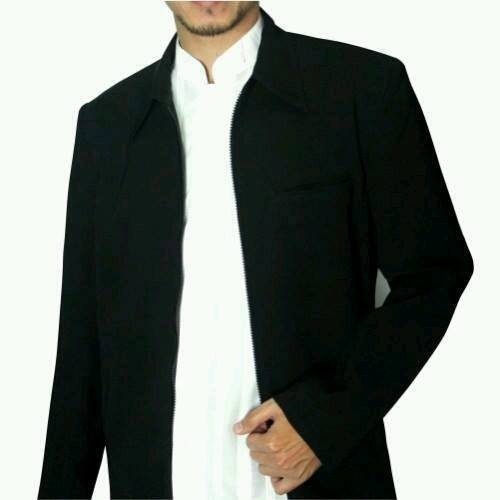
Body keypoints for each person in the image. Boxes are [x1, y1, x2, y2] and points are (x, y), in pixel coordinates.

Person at [37, 2, 474, 499]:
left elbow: (433, 275)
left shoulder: (361, 89)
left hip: (317, 481)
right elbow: (83, 344)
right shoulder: (108, 125)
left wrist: (325, 420)